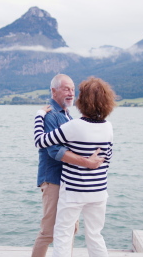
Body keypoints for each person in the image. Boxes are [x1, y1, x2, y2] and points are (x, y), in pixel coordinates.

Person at [34, 77, 117, 257]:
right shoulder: (109, 127)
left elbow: (40, 141)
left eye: (74, 90)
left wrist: (39, 116)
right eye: (67, 89)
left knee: (63, 234)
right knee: (95, 235)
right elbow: (107, 158)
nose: (72, 94)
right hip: (98, 191)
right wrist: (90, 164)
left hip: (74, 190)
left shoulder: (74, 124)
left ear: (83, 100)